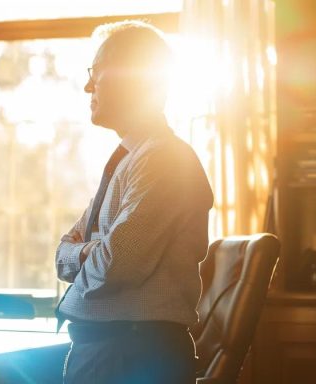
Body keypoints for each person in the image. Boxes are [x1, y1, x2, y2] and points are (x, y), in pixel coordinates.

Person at [54, 20, 214, 384]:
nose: (87, 86)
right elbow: (62, 258)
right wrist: (86, 252)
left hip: (130, 356)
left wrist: (84, 252)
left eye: (97, 73)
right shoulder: (129, 159)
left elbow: (115, 265)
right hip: (113, 351)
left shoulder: (162, 159)